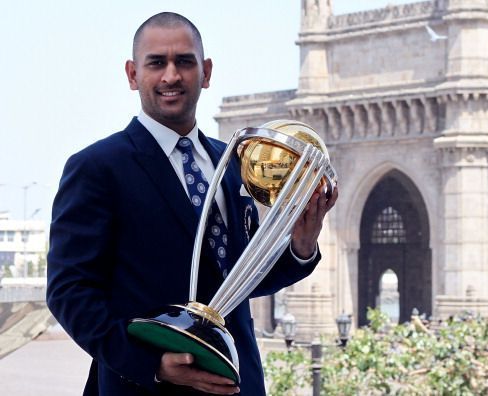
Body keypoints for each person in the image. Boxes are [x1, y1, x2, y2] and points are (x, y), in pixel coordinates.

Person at [46, 12, 337, 396]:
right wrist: (152, 365)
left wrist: (301, 245)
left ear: (206, 72)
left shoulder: (233, 163)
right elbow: (69, 292)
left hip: (239, 383)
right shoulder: (97, 168)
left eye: (184, 61)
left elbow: (239, 277)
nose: (171, 75)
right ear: (133, 75)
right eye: (157, 63)